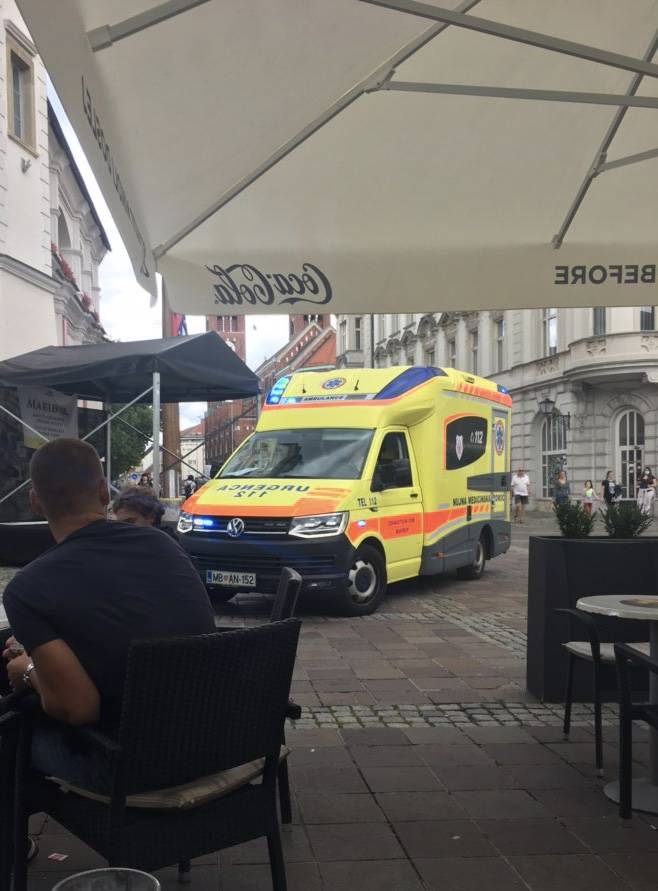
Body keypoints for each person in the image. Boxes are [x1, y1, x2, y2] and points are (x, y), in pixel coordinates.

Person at [2, 438, 215, 794]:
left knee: (13, 732)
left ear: (35, 501)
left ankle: (15, 828)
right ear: (104, 492)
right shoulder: (163, 544)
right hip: (219, 741)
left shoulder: (27, 589)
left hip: (129, 766)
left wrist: (26, 669)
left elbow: (78, 709)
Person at [112, 486, 176, 537]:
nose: (123, 528)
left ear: (151, 517)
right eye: (119, 524)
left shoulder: (168, 544)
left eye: (130, 522)